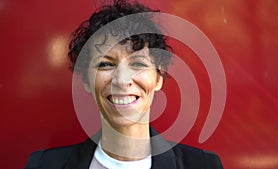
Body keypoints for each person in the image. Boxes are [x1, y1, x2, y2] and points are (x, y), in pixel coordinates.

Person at [25, 0, 223, 168]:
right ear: (86, 80)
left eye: (137, 63)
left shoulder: (203, 165)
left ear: (158, 78)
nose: (121, 80)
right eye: (105, 64)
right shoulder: (43, 164)